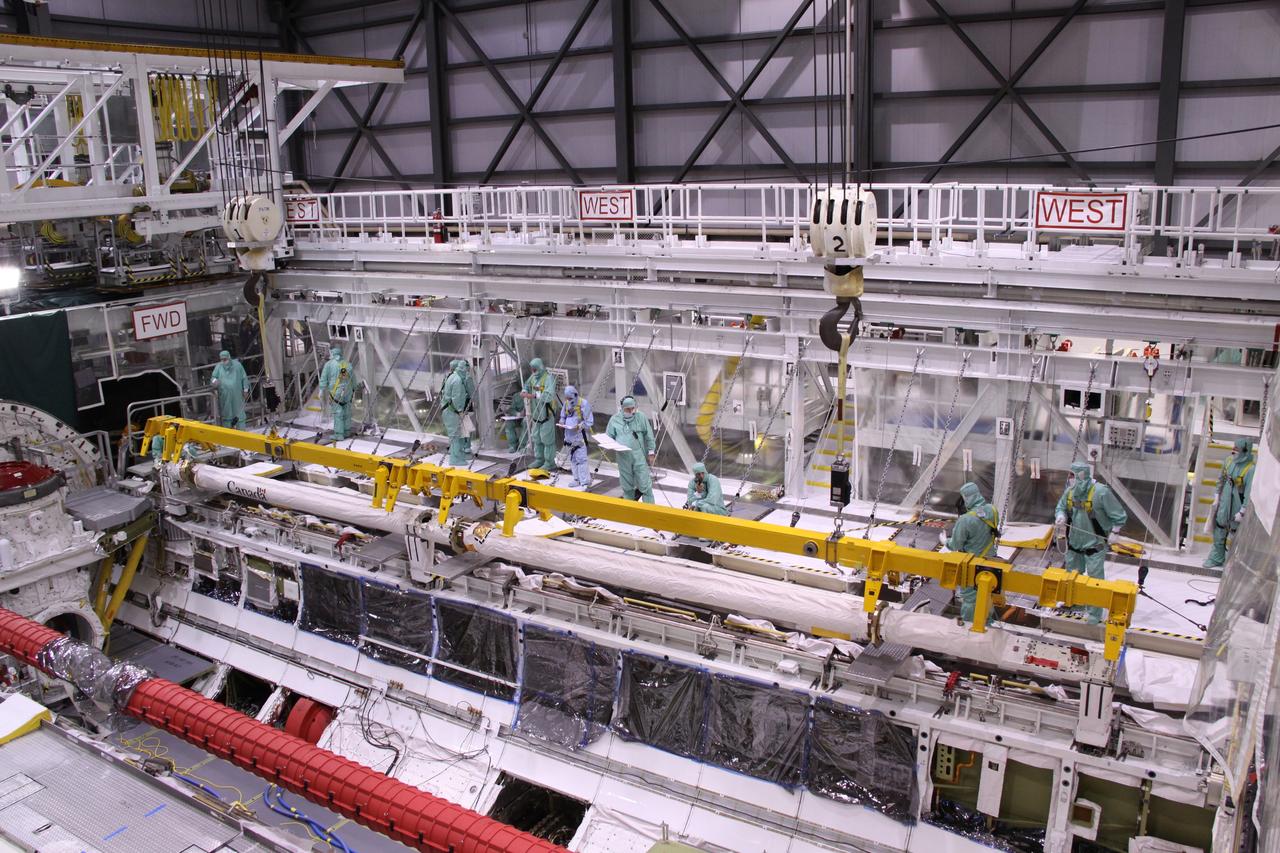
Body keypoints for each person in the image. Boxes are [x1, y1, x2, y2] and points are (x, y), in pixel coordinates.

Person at [1054, 461, 1128, 623]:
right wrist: (1061, 516)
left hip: (1095, 544)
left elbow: (1119, 514)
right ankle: (1074, 602)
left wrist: (1115, 531)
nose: (1069, 478)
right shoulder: (1070, 492)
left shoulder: (1101, 492)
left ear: (1081, 475)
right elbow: (1061, 507)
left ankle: (1095, 613)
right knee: (1072, 575)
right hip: (1075, 543)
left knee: (1094, 580)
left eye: (1072, 475)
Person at [942, 482, 1000, 623]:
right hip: (991, 562)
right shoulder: (992, 510)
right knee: (987, 594)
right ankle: (988, 623)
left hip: (973, 565)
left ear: (966, 498)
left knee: (970, 598)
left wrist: (945, 541)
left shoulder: (965, 520)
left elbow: (955, 544)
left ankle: (969, 627)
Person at [1205, 438, 1256, 568]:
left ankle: (1233, 562)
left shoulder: (1250, 469)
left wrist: (1243, 511)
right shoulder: (1228, 462)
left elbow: (1249, 493)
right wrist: (1217, 496)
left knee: (1235, 533)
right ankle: (1216, 557)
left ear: (1245, 451)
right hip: (1225, 501)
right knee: (1220, 528)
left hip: (1237, 504)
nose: (1234, 451)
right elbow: (1221, 480)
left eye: (1237, 449)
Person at [606, 395, 656, 503]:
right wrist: (608, 444)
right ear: (622, 409)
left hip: (638, 455)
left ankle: (651, 510)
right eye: (628, 409)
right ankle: (629, 509)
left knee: (645, 484)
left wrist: (651, 452)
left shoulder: (640, 417)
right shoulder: (615, 420)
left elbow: (649, 435)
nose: (631, 411)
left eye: (633, 408)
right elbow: (608, 436)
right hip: (623, 457)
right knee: (627, 485)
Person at [521, 357, 558, 472]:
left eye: (535, 369)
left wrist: (533, 396)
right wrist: (524, 391)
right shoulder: (533, 377)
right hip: (536, 415)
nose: (533, 372)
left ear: (540, 367)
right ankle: (539, 459)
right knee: (536, 438)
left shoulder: (548, 378)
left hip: (547, 415)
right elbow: (527, 385)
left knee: (547, 440)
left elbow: (549, 396)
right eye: (532, 369)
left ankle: (549, 462)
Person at [558, 385, 593, 488]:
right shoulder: (566, 403)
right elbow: (563, 415)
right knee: (573, 459)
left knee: (581, 459)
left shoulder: (584, 404)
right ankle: (576, 479)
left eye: (570, 398)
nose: (569, 400)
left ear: (575, 395)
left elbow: (589, 421)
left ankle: (585, 481)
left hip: (579, 437)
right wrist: (562, 422)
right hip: (569, 436)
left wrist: (580, 426)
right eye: (567, 398)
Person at [441, 359, 473, 465]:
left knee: (456, 435)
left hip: (448, 410)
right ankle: (455, 459)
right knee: (455, 435)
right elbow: (457, 397)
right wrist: (460, 411)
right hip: (452, 411)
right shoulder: (458, 380)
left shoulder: (452, 377)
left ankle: (458, 455)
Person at [210, 350, 249, 428]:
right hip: (224, 395)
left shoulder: (237, 366)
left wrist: (245, 390)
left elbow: (244, 378)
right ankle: (228, 435)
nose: (224, 361)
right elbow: (213, 377)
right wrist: (215, 382)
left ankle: (242, 434)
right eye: (222, 360)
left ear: (229, 358)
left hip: (237, 395)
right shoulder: (219, 367)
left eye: (225, 359)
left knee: (239, 415)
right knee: (227, 416)